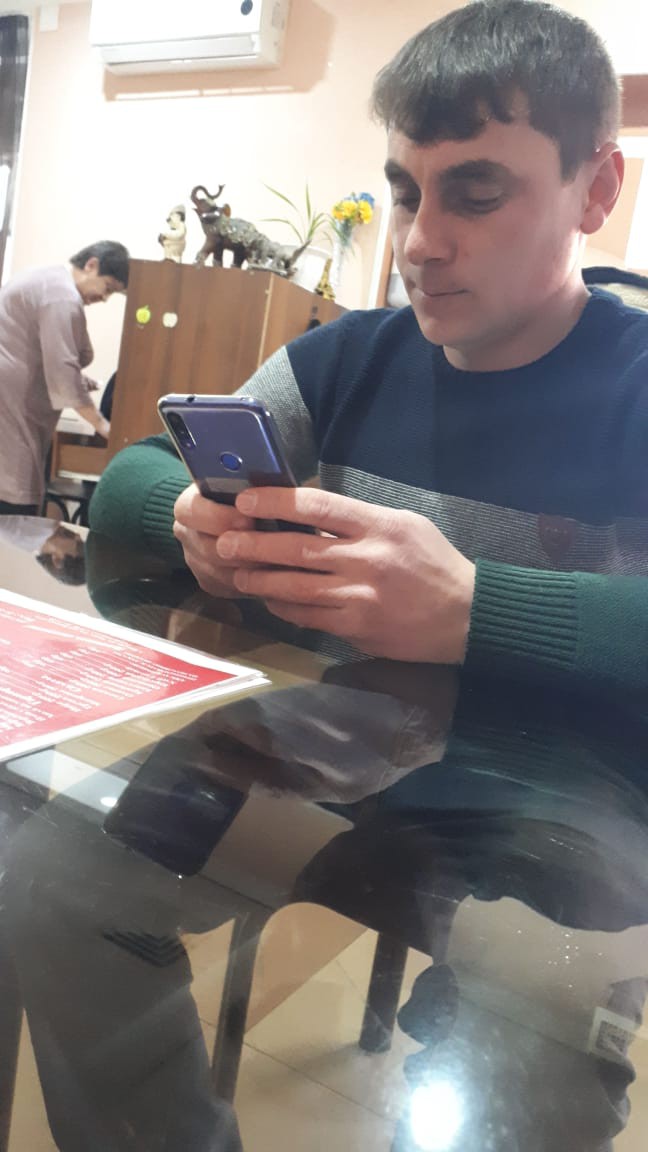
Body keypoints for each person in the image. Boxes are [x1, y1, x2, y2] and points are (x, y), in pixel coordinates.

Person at [90, 0, 648, 702]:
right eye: (406, 196)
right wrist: (195, 525)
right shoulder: (344, 359)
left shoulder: (633, 383)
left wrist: (473, 610)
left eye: (476, 196)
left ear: (596, 190)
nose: (418, 244)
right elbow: (126, 480)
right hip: (316, 762)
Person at [0, 240, 129, 515]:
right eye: (107, 288)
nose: (104, 298)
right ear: (91, 265)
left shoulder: (50, 281)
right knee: (13, 501)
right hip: (11, 404)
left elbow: (51, 360)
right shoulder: (61, 296)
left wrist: (76, 381)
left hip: (15, 398)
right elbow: (62, 369)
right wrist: (102, 425)